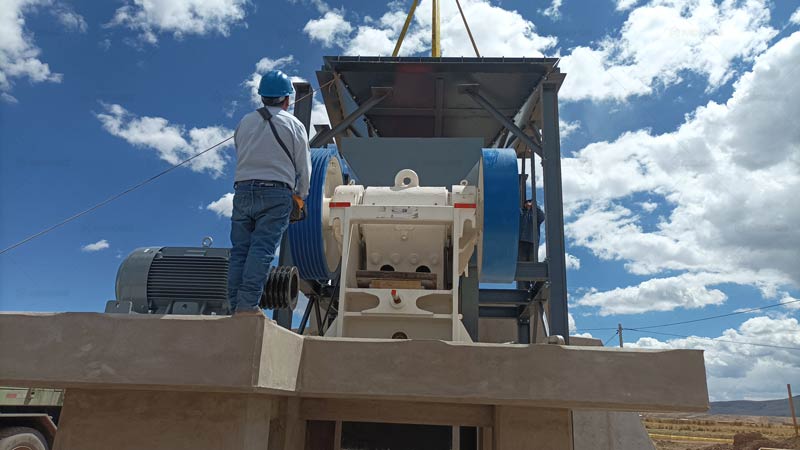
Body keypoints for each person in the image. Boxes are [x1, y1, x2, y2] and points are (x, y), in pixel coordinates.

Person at [227, 70, 312, 316]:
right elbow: (303, 166)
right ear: (287, 99)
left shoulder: (245, 122)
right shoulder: (293, 124)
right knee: (261, 250)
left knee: (240, 252)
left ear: (262, 97)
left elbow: (240, 153)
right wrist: (301, 195)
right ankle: (247, 307)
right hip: (276, 194)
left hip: (242, 191)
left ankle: (234, 307)